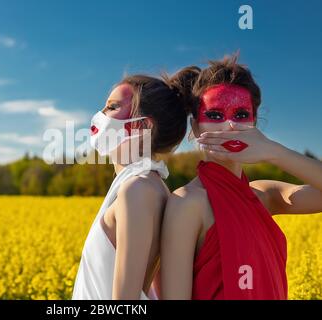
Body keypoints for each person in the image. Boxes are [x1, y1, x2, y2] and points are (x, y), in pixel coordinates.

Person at [160, 54, 322, 300]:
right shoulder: (186, 203)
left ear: (255, 124)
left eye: (241, 114)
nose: (229, 126)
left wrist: (273, 151)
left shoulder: (265, 194)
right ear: (195, 127)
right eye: (214, 115)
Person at [72, 67, 199, 299]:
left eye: (112, 107)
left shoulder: (138, 189)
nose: (100, 114)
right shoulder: (145, 185)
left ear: (143, 126)